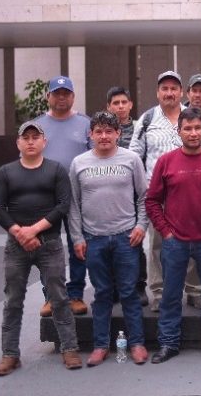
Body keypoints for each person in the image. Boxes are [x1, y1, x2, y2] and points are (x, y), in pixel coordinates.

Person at [0, 120, 82, 375]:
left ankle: (69, 348)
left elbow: (63, 204)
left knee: (59, 298)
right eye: (25, 137)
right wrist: (20, 232)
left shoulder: (56, 170)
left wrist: (35, 229)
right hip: (16, 247)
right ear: (18, 142)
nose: (30, 141)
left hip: (49, 244)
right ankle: (10, 355)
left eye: (35, 137)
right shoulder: (6, 172)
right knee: (13, 301)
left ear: (44, 142)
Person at [145, 107, 201, 364]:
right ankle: (168, 343)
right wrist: (166, 231)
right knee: (171, 295)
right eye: (188, 128)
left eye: (197, 128)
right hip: (175, 242)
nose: (193, 133)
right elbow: (152, 201)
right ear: (179, 131)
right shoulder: (166, 161)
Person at [67, 111, 150, 366]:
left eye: (109, 131)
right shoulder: (79, 163)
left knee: (129, 293)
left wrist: (141, 226)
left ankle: (136, 343)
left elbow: (144, 197)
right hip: (94, 239)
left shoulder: (132, 159)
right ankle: (100, 345)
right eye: (98, 131)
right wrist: (78, 237)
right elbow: (73, 204)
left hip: (127, 238)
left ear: (117, 134)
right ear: (91, 135)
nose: (104, 136)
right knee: (102, 293)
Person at [129, 70, 201, 312]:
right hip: (158, 197)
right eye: (165, 88)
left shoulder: (192, 116)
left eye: (174, 88)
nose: (169, 93)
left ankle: (194, 290)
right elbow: (134, 157)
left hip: (191, 195)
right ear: (158, 92)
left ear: (181, 92)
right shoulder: (147, 119)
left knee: (193, 244)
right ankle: (159, 293)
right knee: (157, 246)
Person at [31, 75, 91, 317]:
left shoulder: (85, 124)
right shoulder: (37, 126)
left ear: (73, 96)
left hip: (78, 196)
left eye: (66, 93)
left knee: (79, 245)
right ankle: (51, 297)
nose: (61, 97)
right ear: (48, 96)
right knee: (48, 248)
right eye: (57, 93)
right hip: (46, 198)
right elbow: (29, 156)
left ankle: (75, 295)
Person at [108, 84, 150, 305]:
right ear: (109, 106)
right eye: (116, 103)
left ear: (131, 104)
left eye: (124, 102)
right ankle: (115, 286)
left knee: (135, 239)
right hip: (111, 194)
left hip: (135, 193)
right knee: (112, 240)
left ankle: (139, 286)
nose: (121, 106)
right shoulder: (104, 129)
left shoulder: (139, 127)